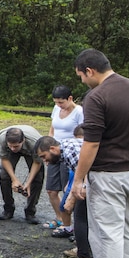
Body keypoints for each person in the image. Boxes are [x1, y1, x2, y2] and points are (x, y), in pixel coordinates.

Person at [70, 48, 129, 258]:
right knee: (128, 228)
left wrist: (78, 179)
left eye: (82, 76)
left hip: (109, 174)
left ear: (89, 71)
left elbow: (91, 143)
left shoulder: (97, 96)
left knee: (107, 232)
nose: (83, 81)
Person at [34, 133, 93, 258]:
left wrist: (75, 195)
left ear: (53, 149)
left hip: (96, 179)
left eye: (44, 156)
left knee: (80, 217)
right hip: (95, 178)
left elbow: (87, 170)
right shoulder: (65, 147)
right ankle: (86, 250)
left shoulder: (70, 151)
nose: (45, 162)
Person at [43, 85, 84, 229]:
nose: (58, 105)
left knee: (68, 189)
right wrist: (47, 150)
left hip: (69, 155)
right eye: (56, 102)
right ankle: (60, 218)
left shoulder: (79, 112)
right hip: (54, 153)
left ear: (70, 98)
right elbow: (52, 128)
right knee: (51, 189)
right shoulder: (56, 109)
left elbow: (82, 134)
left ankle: (70, 223)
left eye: (61, 102)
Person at [0, 125, 44, 223]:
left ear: (23, 141)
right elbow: (4, 159)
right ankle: (8, 209)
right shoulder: (2, 138)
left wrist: (28, 183)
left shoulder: (35, 142)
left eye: (16, 146)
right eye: (11, 146)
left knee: (37, 178)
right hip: (12, 151)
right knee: (4, 176)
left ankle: (30, 211)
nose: (13, 149)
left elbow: (37, 162)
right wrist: (14, 179)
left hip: (31, 150)